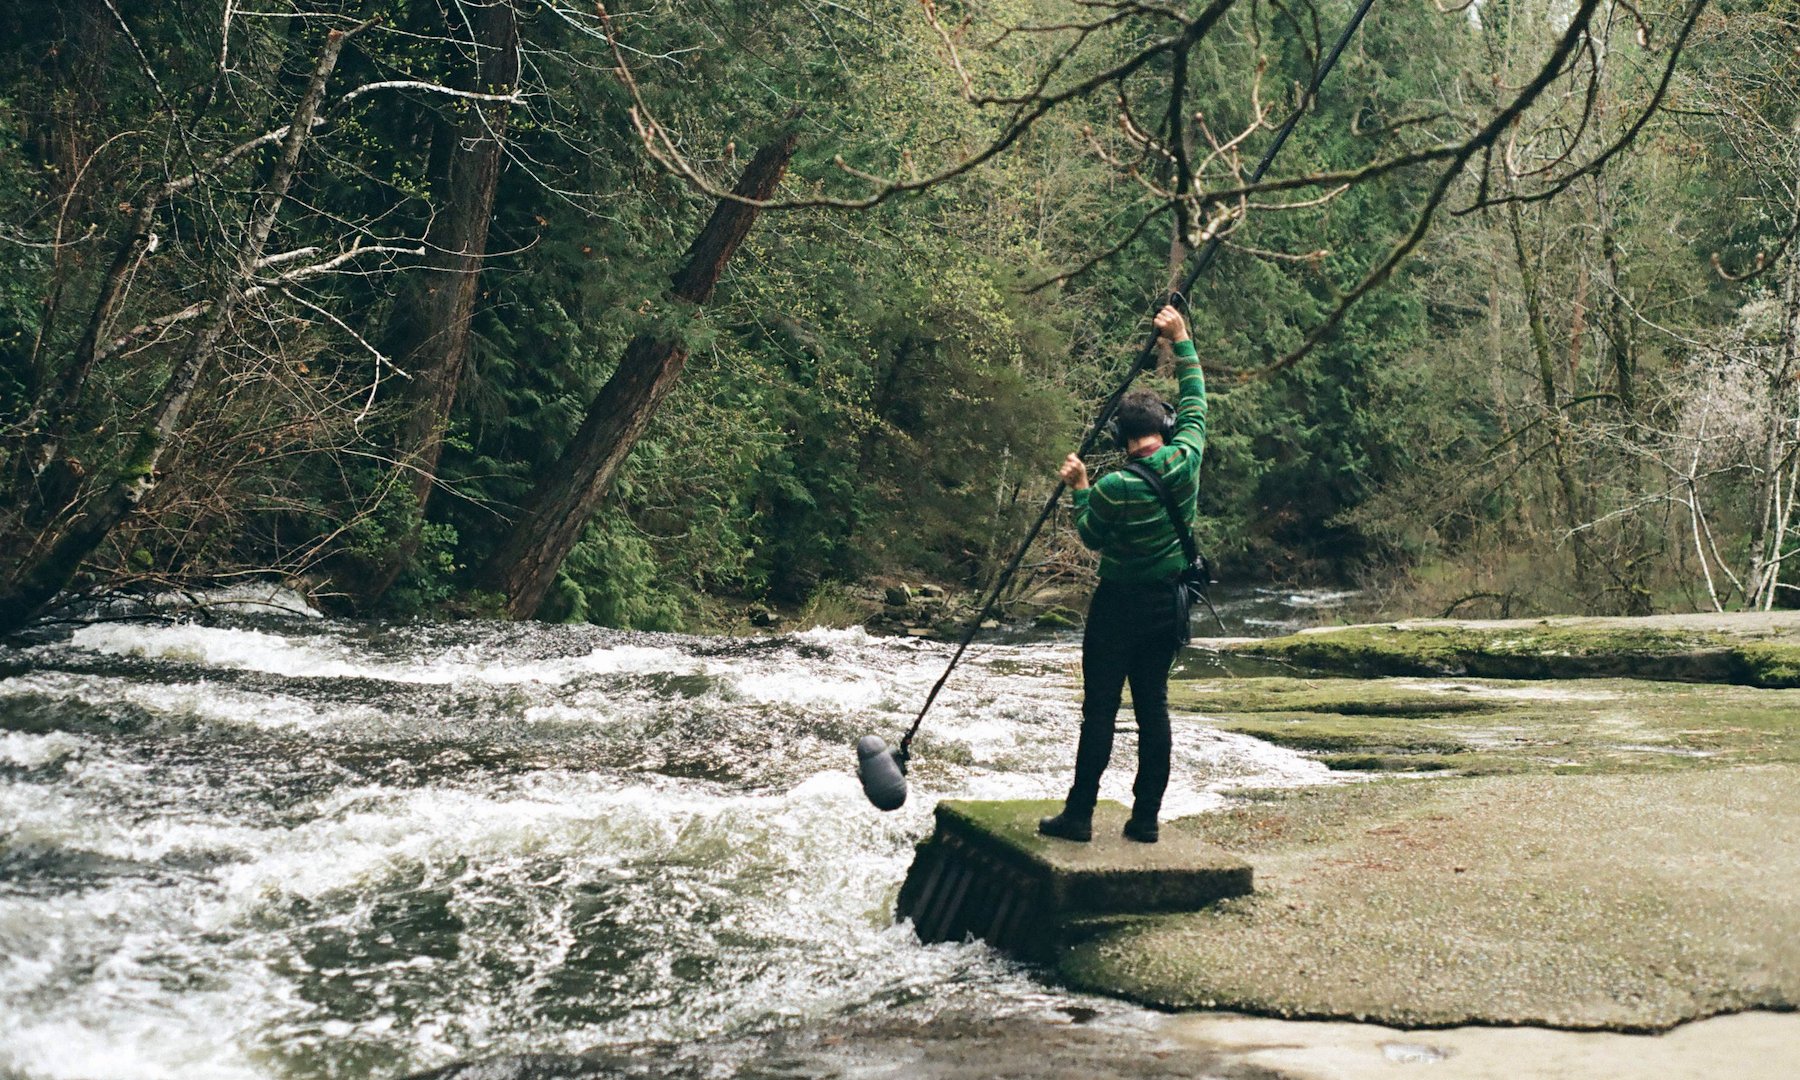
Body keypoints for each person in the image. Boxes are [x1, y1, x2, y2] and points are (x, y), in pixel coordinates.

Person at [1039, 303, 1206, 844]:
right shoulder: (1186, 459)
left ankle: (1080, 816)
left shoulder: (1114, 487)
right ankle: (1145, 821)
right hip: (1167, 606)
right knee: (1153, 707)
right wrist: (1180, 338)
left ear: (1122, 442)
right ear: (1165, 427)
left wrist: (1080, 487)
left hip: (1115, 608)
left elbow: (1090, 535)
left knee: (1100, 713)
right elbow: (1198, 400)